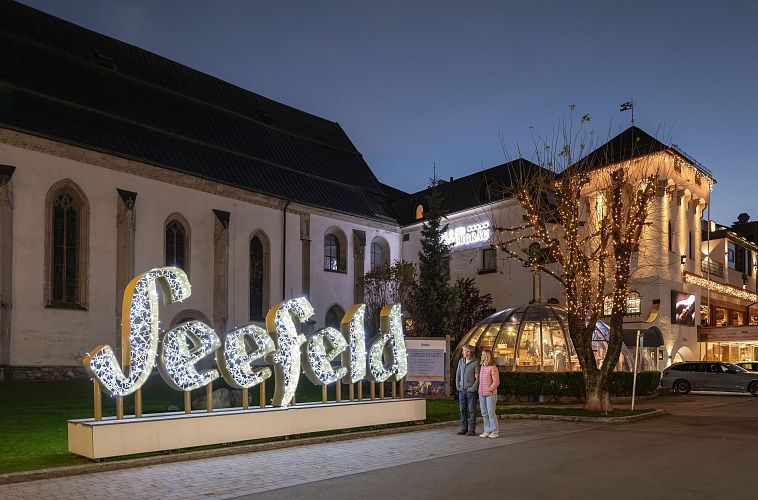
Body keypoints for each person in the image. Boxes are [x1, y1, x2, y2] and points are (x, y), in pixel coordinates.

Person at [455, 344, 479, 436]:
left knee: (472, 410)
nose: (462, 352)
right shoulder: (461, 361)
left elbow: (478, 378)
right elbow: (457, 375)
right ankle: (464, 428)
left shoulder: (475, 363)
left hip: (470, 391)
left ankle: (472, 429)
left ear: (469, 352)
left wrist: (473, 388)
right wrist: (458, 386)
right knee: (462, 410)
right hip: (462, 390)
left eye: (464, 350)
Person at [478, 349, 500, 438]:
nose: (481, 356)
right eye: (481, 354)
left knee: (491, 413)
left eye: (483, 354)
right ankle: (487, 431)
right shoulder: (482, 367)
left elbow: (496, 382)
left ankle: (495, 431)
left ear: (487, 356)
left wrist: (490, 389)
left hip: (490, 394)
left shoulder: (493, 368)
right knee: (484, 413)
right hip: (481, 394)